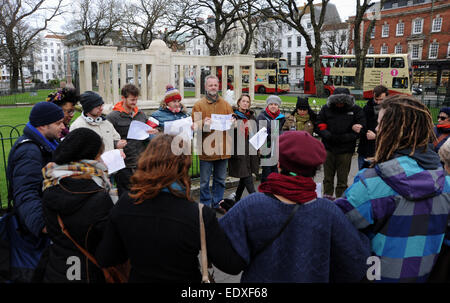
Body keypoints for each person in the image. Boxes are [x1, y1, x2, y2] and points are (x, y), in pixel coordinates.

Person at [219, 131, 371, 282]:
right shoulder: (328, 211)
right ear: (315, 169)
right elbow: (355, 263)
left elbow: (228, 261)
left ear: (279, 165)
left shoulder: (251, 205)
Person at [95, 134, 245, 282]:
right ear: (184, 165)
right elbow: (231, 265)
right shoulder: (198, 214)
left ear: (147, 160)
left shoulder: (125, 204)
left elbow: (107, 257)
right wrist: (235, 220)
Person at [335, 95, 450, 283]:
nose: (377, 129)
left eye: (381, 124)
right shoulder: (446, 184)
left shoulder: (371, 183)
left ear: (394, 131)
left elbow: (339, 228)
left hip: (376, 275)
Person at [42, 128, 114, 283]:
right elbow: (108, 246)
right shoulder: (97, 196)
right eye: (99, 155)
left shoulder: (50, 183)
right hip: (89, 272)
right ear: (89, 157)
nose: (102, 161)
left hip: (58, 267)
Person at [6, 101, 65, 282]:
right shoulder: (30, 150)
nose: (63, 127)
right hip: (34, 230)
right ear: (42, 125)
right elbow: (26, 192)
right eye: (58, 123)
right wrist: (41, 224)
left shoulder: (47, 143)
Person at [192, 75, 234, 213]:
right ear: (206, 87)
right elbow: (194, 127)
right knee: (204, 182)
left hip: (223, 149)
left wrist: (233, 124)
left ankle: (217, 203)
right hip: (206, 150)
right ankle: (205, 205)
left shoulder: (226, 105)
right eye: (210, 85)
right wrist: (203, 123)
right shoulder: (199, 105)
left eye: (215, 85)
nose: (213, 88)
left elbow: (231, 125)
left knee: (220, 180)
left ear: (218, 86)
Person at [107, 84, 156, 197]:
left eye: (136, 100)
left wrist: (153, 131)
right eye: (132, 100)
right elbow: (105, 137)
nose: (134, 102)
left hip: (140, 161)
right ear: (123, 98)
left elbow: (150, 128)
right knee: (125, 196)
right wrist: (116, 144)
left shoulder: (141, 114)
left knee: (141, 194)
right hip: (123, 164)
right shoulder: (113, 117)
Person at [316, 87, 365, 200]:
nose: (339, 104)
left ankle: (340, 202)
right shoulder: (326, 109)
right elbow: (319, 123)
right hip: (328, 148)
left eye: (342, 102)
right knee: (327, 179)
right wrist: (326, 134)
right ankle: (326, 201)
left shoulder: (356, 110)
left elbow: (361, 127)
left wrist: (348, 137)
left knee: (342, 180)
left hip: (345, 150)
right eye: (337, 101)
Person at [224, 94, 259, 208]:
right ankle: (256, 201)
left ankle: (237, 198)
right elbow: (227, 132)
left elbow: (255, 133)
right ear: (238, 102)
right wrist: (233, 126)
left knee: (245, 176)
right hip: (239, 150)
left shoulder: (251, 116)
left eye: (247, 102)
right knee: (247, 176)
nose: (245, 103)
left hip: (250, 150)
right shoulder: (233, 116)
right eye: (243, 101)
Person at [357, 85, 388, 169]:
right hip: (365, 150)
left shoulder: (391, 111)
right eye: (376, 99)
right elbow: (362, 126)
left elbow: (393, 134)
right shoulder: (367, 108)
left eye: (381, 100)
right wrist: (358, 128)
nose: (378, 102)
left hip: (381, 152)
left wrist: (376, 136)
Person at [257, 95, 286, 183]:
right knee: (266, 174)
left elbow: (282, 131)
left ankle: (273, 194)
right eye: (271, 104)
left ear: (278, 106)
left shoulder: (281, 118)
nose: (273, 106)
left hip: (276, 150)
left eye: (275, 104)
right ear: (268, 106)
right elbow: (262, 133)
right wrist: (275, 136)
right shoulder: (262, 117)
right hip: (266, 149)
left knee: (275, 174)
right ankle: (264, 194)